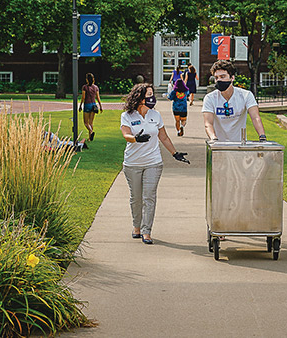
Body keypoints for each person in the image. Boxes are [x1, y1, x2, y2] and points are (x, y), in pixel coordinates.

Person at [120, 83, 190, 244]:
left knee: (149, 197)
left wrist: (175, 153)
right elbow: (126, 135)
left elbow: (163, 137)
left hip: (153, 162)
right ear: (139, 97)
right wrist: (136, 139)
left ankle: (146, 231)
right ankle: (136, 226)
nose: (152, 98)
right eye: (149, 95)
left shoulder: (155, 115)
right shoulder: (127, 116)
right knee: (136, 198)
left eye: (152, 94)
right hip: (132, 164)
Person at [202, 60, 267, 142]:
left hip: (239, 143)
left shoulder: (246, 95)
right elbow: (208, 124)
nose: (219, 80)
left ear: (232, 78)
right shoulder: (210, 98)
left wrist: (262, 136)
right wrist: (213, 139)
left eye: (223, 77)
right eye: (216, 78)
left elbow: (255, 117)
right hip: (219, 144)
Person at [79, 73, 103, 141]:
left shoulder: (85, 87)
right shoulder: (96, 87)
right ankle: (90, 138)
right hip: (94, 105)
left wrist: (80, 105)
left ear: (87, 80)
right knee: (91, 122)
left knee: (86, 123)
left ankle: (91, 132)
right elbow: (98, 97)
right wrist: (100, 106)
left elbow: (83, 97)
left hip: (87, 105)